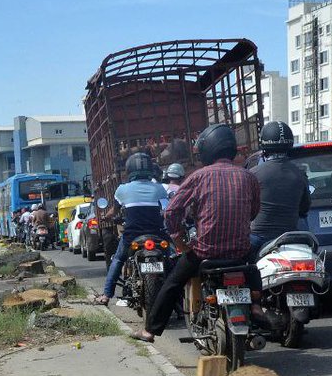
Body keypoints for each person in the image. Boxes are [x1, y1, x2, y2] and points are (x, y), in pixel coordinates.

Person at [135, 124, 262, 343]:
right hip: (240, 253)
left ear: (207, 150)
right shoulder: (248, 177)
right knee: (255, 266)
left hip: (206, 253)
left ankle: (150, 331)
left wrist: (179, 240)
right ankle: (257, 306)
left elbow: (172, 211)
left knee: (172, 283)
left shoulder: (199, 177)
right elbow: (254, 211)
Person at [96, 153, 167, 305]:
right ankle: (178, 296)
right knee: (173, 258)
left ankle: (106, 295)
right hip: (157, 234)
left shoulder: (122, 189)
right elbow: (167, 210)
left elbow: (113, 212)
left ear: (129, 170)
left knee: (118, 259)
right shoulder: (160, 188)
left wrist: (105, 217)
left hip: (132, 236)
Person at [249, 120, 311, 258]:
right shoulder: (300, 174)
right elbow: (304, 209)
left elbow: (246, 210)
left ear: (264, 146)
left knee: (240, 269)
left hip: (259, 239)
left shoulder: (253, 174)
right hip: (290, 238)